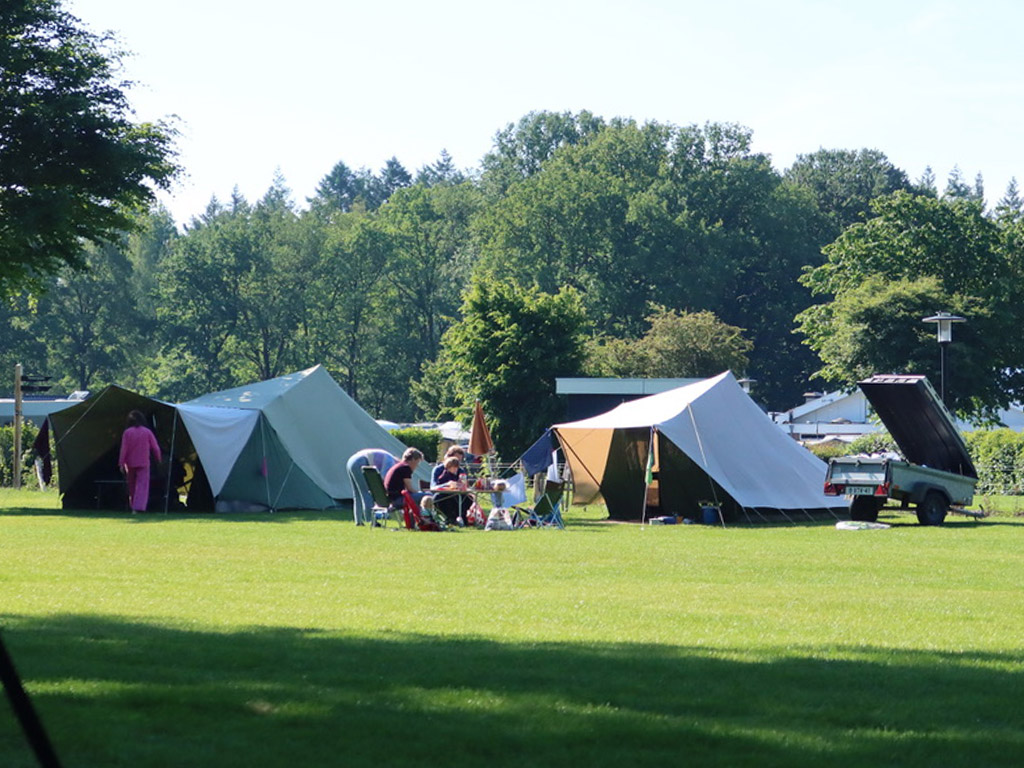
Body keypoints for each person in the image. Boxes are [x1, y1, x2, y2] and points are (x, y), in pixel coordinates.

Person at [119, 410, 162, 513]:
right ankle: (138, 507)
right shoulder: (147, 432)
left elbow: (123, 449)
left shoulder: (127, 432)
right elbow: (155, 447)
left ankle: (133, 504)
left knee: (131, 485)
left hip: (130, 463)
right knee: (142, 485)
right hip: (143, 462)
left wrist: (121, 463)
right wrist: (158, 458)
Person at [383, 448, 434, 513]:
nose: (417, 465)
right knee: (428, 495)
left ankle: (418, 519)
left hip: (391, 498)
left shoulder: (398, 466)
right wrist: (420, 492)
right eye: (417, 462)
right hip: (398, 499)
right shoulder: (406, 468)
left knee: (420, 496)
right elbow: (410, 489)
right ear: (412, 459)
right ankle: (427, 517)